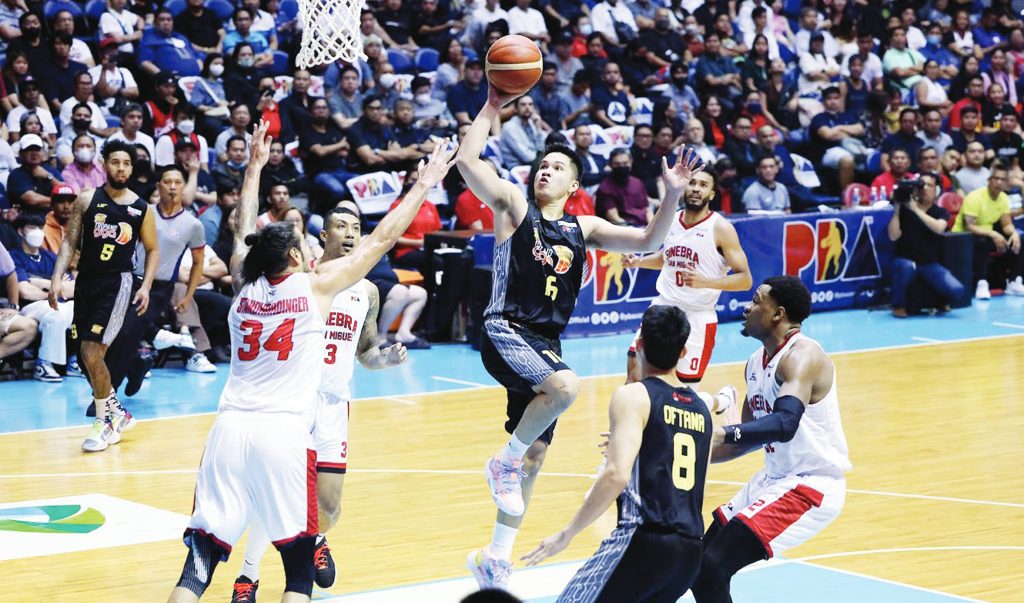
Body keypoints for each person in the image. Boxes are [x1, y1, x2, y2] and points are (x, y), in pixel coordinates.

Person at [166, 125, 457, 603]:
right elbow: (382, 239)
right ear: (297, 255)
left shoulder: (243, 286)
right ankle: (261, 575)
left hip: (227, 430)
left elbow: (243, 229)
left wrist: (254, 167)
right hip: (283, 431)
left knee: (196, 566)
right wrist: (423, 185)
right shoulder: (315, 289)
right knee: (300, 576)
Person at [456, 83, 706, 590]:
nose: (543, 171)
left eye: (556, 168)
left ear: (573, 186)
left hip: (544, 346)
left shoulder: (582, 227)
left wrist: (674, 193)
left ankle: (496, 559)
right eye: (541, 165)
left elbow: (649, 240)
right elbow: (467, 161)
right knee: (568, 388)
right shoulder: (512, 206)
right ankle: (499, 464)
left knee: (537, 455)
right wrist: (491, 105)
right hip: (505, 328)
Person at [231, 206, 410, 600]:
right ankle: (248, 574)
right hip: (291, 402)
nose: (349, 233)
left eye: (356, 228)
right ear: (322, 234)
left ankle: (313, 540)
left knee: (329, 508)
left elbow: (366, 352)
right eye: (340, 226)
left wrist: (387, 360)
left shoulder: (366, 291)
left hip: (333, 407)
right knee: (273, 494)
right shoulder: (303, 282)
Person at [521, 305, 712, 601]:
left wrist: (567, 534)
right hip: (689, 554)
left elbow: (615, 475)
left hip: (643, 541)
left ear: (638, 345)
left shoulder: (634, 395)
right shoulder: (701, 408)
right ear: (684, 352)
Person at [690, 275, 852, 603]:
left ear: (777, 313)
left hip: (810, 485)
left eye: (755, 301)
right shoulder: (754, 363)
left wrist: (720, 430)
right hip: (773, 479)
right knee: (698, 563)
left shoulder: (802, 356)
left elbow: (785, 423)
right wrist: (685, 445)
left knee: (713, 565)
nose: (746, 308)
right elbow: (743, 439)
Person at [49, 139, 159, 453]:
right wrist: (57, 278)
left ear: (131, 167)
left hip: (118, 284)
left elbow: (152, 250)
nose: (121, 168)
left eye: (126, 163)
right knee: (86, 357)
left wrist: (147, 286)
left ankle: (104, 422)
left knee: (91, 349)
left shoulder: (140, 208)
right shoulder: (86, 200)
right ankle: (118, 412)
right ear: (104, 163)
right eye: (115, 162)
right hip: (86, 283)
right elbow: (69, 242)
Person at [623, 163, 750, 395]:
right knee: (634, 370)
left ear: (712, 194)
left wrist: (706, 281)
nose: (696, 189)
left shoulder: (721, 228)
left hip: (697, 316)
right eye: (692, 183)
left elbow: (745, 279)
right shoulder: (671, 219)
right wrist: (638, 261)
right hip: (663, 307)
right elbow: (667, 258)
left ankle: (722, 402)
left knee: (683, 391)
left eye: (703, 185)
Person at [10, 213, 77, 382]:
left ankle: (75, 361)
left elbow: (74, 287)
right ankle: (44, 364)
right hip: (29, 307)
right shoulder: (14, 256)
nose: (38, 232)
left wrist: (40, 282)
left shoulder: (51, 257)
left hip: (57, 301)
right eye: (32, 228)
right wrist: (54, 287)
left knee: (84, 308)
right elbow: (24, 291)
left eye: (40, 228)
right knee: (57, 312)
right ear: (20, 231)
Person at [887, 173, 964, 317]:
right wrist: (897, 211)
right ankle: (898, 306)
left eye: (929, 185)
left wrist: (915, 210)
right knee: (906, 267)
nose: (925, 188)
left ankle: (937, 300)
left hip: (929, 263)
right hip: (904, 260)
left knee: (956, 289)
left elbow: (939, 228)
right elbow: (893, 236)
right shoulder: (904, 210)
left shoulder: (940, 212)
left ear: (938, 190)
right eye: (922, 184)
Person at [952, 162, 1024, 299]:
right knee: (982, 241)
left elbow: (1006, 223)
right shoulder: (974, 197)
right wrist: (993, 233)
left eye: (1002, 179)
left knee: (1019, 238)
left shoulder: (1003, 198)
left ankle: (1014, 281)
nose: (998, 182)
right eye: (996, 178)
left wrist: (1014, 233)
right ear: (989, 180)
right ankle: (981, 283)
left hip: (987, 234)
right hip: (961, 238)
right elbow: (969, 226)